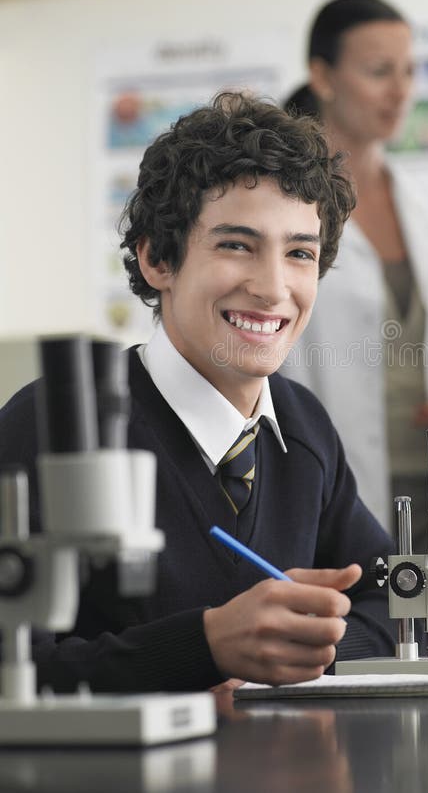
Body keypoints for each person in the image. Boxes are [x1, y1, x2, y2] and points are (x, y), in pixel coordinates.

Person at [0, 92, 396, 693]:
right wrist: (205, 648)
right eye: (236, 245)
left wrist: (302, 652)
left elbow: (389, 602)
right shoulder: (52, 425)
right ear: (159, 258)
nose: (272, 288)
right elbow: (16, 666)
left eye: (299, 254)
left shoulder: (303, 426)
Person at [283, 0, 428, 554]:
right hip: (335, 482)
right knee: (363, 634)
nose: (401, 91)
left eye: (408, 71)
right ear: (322, 76)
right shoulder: (286, 209)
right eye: (379, 72)